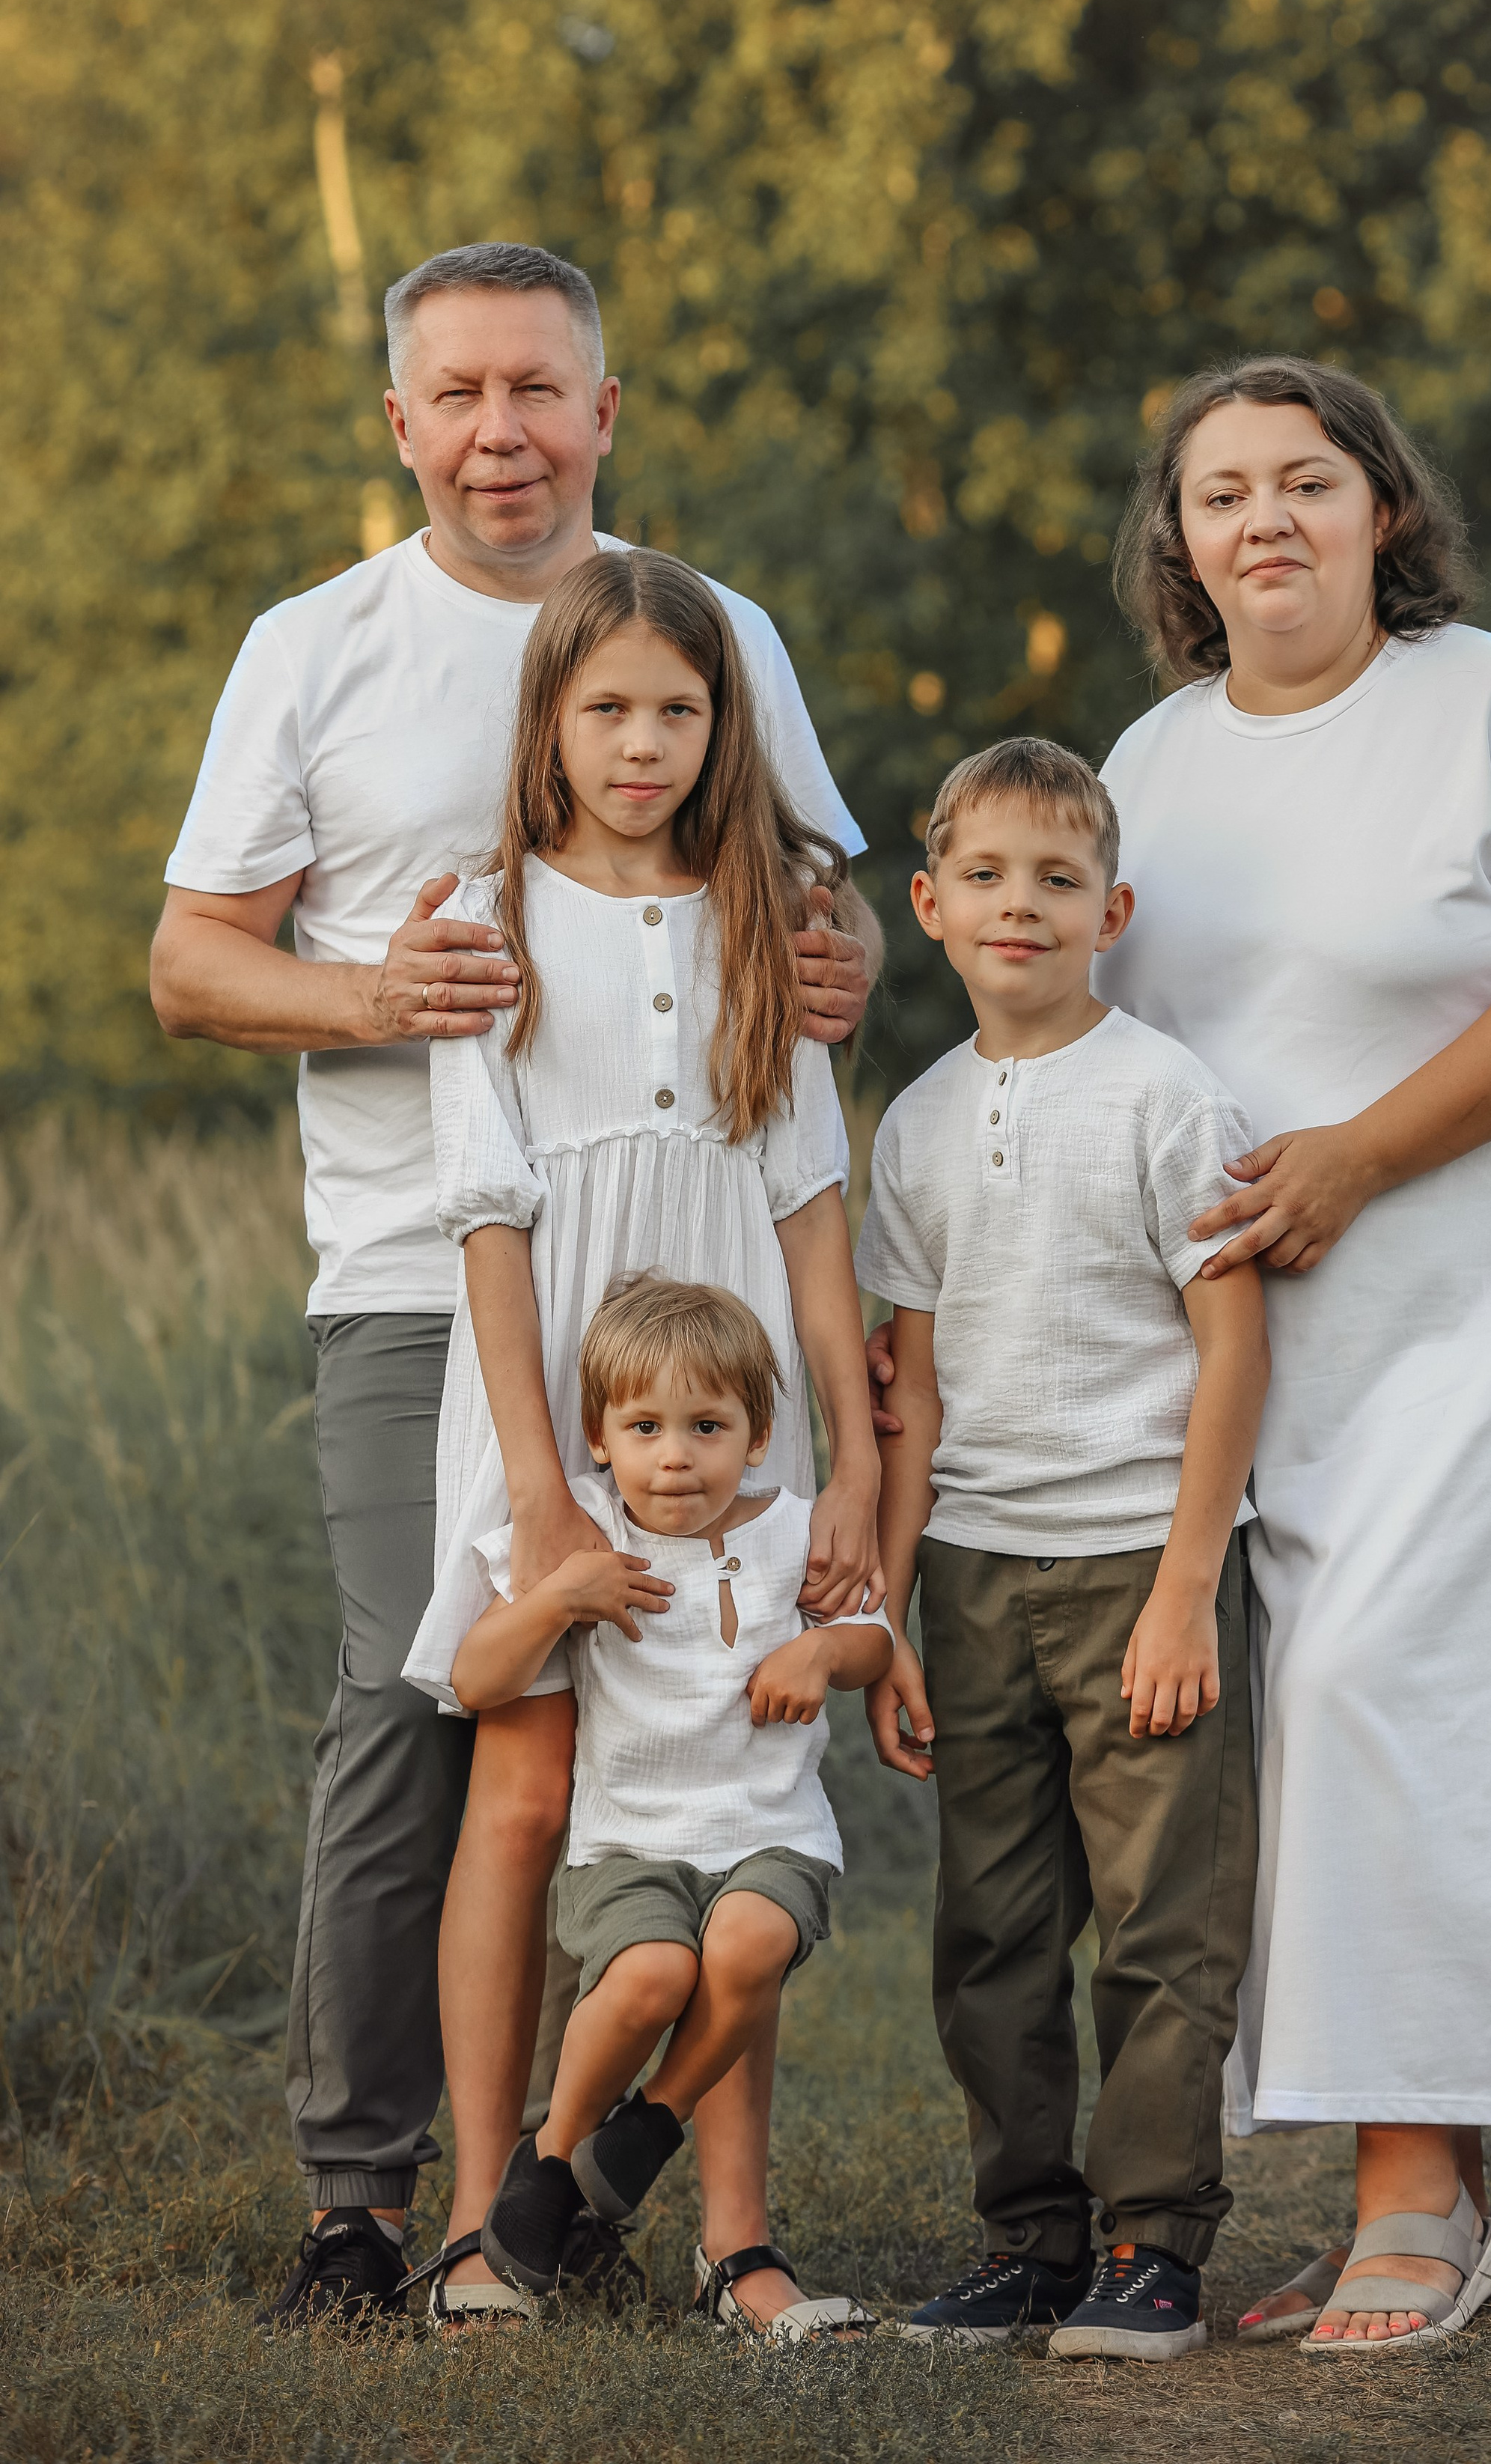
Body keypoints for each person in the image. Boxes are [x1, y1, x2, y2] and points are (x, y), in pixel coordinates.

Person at [149, 243, 877, 2325]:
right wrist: (378, 986)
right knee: (427, 1717)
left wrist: (853, 966)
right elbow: (191, 963)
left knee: (686, 1732)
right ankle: (369, 2203)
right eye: (458, 393)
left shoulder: (708, 628)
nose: (501, 431)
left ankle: (619, 2190)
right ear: (401, 420)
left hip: (703, 1296)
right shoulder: (316, 648)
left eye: (539, 390)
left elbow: (807, 919)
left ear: (604, 409)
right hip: (429, 1276)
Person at [1091, 353, 1491, 2352]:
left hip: (1480, 1303)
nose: (1261, 518)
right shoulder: (1155, 763)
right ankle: (1412, 2172)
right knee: (1300, 1739)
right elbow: (1066, 1002)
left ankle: (1419, 2198)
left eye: (1304, 481)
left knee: (1389, 1695)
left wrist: (1360, 1156)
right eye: (1219, 494)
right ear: (1179, 544)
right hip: (1247, 1340)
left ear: (1385, 513)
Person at [398, 545, 881, 2323]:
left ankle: (729, 2234)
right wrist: (540, 1491)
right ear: (548, 720)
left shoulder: (764, 910)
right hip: (554, 1401)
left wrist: (856, 1462)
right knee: (524, 1789)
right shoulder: (488, 907)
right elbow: (489, 1218)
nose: (641, 741)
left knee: (726, 1782)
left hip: (730, 1389)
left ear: (720, 725)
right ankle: (480, 2223)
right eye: (605, 706)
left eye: (678, 709)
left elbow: (810, 1204)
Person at [858, 738, 1270, 2363]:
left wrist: (1184, 1589)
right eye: (983, 877)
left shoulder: (1167, 1096)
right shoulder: (914, 1124)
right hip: (969, 1571)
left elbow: (1229, 1352)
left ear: (1111, 907)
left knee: (1158, 1922)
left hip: (1133, 1564)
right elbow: (911, 1393)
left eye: (1052, 880)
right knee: (991, 1928)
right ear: (930, 905)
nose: (1016, 906)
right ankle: (1028, 2240)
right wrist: (887, 1615)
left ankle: (1152, 2242)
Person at [439, 1274, 891, 2331]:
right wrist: (559, 1597)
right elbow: (476, 1678)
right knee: (650, 1974)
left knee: (744, 1947)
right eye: (644, 1427)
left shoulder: (791, 1531)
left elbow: (877, 1641)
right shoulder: (587, 1532)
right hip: (630, 1846)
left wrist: (825, 1650)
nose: (675, 1455)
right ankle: (554, 2163)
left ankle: (648, 2124)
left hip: (769, 1833)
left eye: (706, 1426)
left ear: (758, 1433)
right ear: (599, 1437)